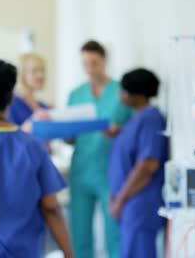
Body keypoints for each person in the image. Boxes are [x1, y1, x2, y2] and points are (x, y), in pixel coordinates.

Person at [0, 59, 74, 258]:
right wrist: (69, 254)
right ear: (10, 99)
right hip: (25, 251)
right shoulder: (32, 146)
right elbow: (51, 207)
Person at [67, 40, 132, 258]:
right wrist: (63, 134)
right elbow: (71, 136)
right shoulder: (76, 95)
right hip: (81, 170)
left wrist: (118, 131)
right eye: (85, 64)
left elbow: (133, 132)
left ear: (104, 61)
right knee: (79, 233)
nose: (90, 69)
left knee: (113, 232)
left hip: (110, 171)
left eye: (94, 63)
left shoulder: (121, 93)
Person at [108, 68, 168, 258]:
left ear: (139, 94)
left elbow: (147, 165)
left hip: (141, 207)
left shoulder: (151, 118)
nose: (120, 94)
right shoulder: (135, 119)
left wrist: (121, 199)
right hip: (130, 207)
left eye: (124, 90)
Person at [8, 53, 50, 133]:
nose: (41, 75)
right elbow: (9, 139)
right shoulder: (10, 104)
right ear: (22, 74)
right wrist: (32, 123)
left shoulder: (43, 106)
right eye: (35, 71)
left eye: (42, 70)